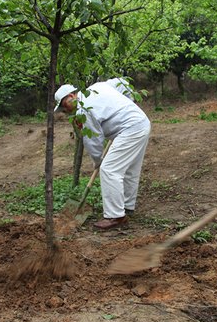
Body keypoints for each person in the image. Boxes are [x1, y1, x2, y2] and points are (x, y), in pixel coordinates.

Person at [54, 81, 151, 229]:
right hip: (141, 123)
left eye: (64, 104)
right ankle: (127, 206)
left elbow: (93, 139)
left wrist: (98, 161)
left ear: (72, 95)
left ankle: (116, 217)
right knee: (130, 169)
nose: (65, 109)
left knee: (109, 169)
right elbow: (122, 82)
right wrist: (129, 102)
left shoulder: (83, 110)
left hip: (130, 129)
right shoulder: (97, 87)